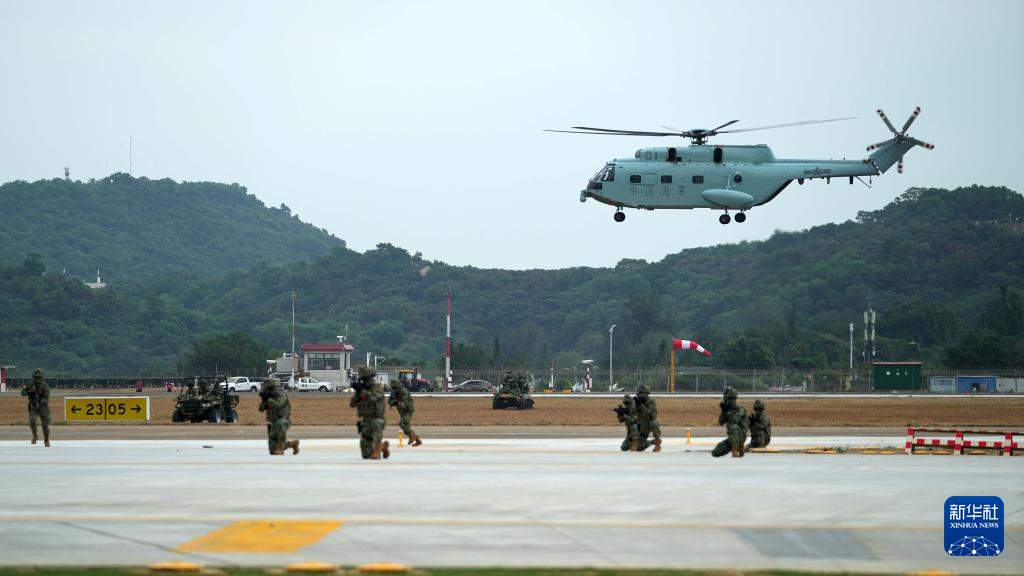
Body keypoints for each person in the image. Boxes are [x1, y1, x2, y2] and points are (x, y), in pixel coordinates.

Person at [350, 367, 389, 460]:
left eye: (367, 379)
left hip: (377, 419)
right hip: (366, 422)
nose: (366, 381)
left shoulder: (377, 387)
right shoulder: (362, 389)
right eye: (364, 379)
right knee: (366, 454)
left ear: (372, 377)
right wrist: (358, 393)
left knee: (376, 424)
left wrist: (362, 391)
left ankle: (377, 451)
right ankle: (382, 447)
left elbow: (375, 398)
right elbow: (352, 404)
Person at [258, 378, 299, 455]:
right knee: (272, 450)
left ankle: (281, 449)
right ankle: (293, 444)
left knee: (280, 424)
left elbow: (278, 404)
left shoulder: (281, 395)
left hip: (283, 420)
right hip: (272, 422)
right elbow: (261, 409)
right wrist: (264, 400)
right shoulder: (268, 397)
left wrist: (269, 399)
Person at [712, 386, 748, 457]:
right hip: (732, 438)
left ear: (735, 399)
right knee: (715, 452)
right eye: (728, 399)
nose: (730, 401)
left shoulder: (740, 409)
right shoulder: (727, 410)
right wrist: (723, 411)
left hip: (741, 436)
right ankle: (739, 447)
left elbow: (735, 420)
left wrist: (728, 411)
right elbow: (721, 422)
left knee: (734, 427)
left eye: (731, 399)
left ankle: (737, 449)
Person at [20, 368, 51, 447]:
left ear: (41, 378)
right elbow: (22, 392)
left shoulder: (44, 385)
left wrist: (41, 400)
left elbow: (46, 397)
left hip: (43, 408)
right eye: (35, 377)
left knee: (45, 425)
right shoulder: (30, 384)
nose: (37, 379)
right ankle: (35, 436)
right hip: (33, 407)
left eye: (38, 378)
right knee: (32, 421)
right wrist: (29, 392)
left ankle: (46, 440)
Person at [389, 381, 422, 446]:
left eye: (395, 387)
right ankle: (417, 440)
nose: (393, 389)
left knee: (402, 424)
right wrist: (393, 402)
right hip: (402, 412)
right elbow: (390, 401)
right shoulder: (394, 393)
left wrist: (397, 402)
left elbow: (405, 402)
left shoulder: (404, 392)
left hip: (408, 411)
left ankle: (412, 437)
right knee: (406, 426)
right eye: (392, 388)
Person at [634, 384, 662, 452]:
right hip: (643, 426)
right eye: (640, 393)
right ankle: (652, 442)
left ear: (647, 393)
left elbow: (652, 415)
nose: (641, 395)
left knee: (654, 423)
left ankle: (657, 443)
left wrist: (641, 406)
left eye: (643, 393)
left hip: (650, 423)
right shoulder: (636, 402)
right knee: (639, 448)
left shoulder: (651, 402)